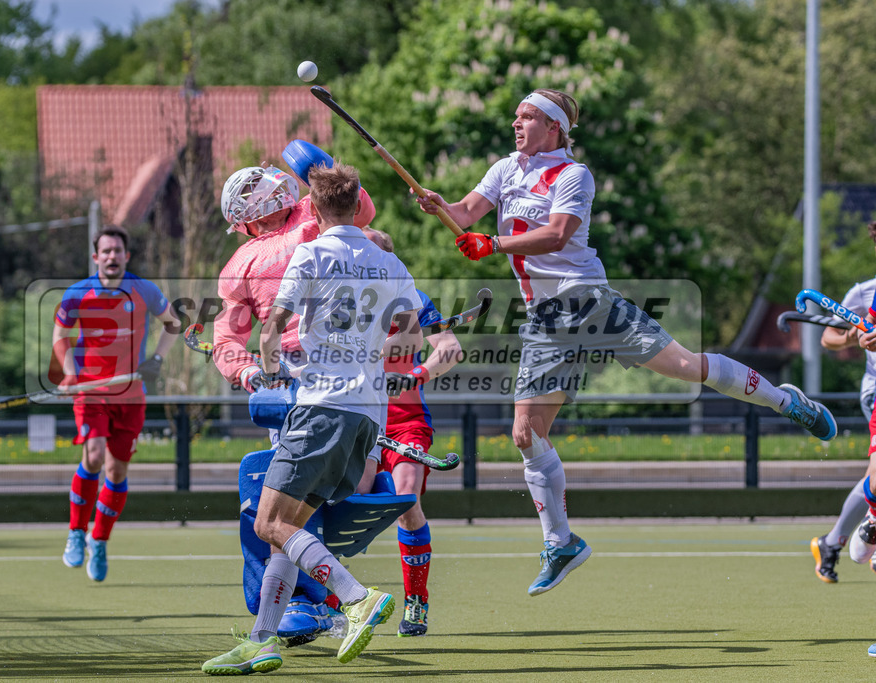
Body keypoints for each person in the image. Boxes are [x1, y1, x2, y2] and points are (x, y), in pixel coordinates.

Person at [415, 88, 838, 597]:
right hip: (544, 319)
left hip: (587, 301)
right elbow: (465, 214)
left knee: (685, 366)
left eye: (527, 117)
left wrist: (495, 243)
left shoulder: (574, 176)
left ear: (554, 128)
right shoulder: (506, 169)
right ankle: (561, 543)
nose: (515, 123)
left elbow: (556, 234)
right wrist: (442, 206)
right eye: (516, 116)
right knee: (526, 434)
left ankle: (786, 401)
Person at [202, 161, 424, 675]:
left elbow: (272, 326)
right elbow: (412, 333)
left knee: (268, 522)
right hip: (368, 415)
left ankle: (354, 597)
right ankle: (263, 639)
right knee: (291, 526)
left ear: (317, 208)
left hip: (318, 405)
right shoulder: (385, 258)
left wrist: (269, 371)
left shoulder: (307, 249)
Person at [212, 142, 376, 639]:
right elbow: (361, 207)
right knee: (294, 505)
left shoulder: (245, 258)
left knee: (274, 506)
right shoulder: (313, 215)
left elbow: (225, 338)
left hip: (297, 381)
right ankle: (293, 613)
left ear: (243, 219)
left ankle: (325, 603)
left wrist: (247, 373)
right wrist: (317, 166)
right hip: (353, 377)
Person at [53, 225, 179, 582]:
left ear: (126, 256)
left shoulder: (144, 291)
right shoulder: (78, 294)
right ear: (96, 258)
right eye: (105, 252)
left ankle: (100, 539)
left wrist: (156, 359)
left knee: (117, 472)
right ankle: (76, 532)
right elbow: (60, 336)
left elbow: (173, 323)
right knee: (93, 457)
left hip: (130, 395)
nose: (111, 257)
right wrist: (69, 374)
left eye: (117, 251)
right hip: (91, 392)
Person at [363, 226, 462, 637]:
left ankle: (416, 601)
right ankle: (330, 602)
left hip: (405, 424)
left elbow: (450, 349)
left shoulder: (414, 300)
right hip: (356, 421)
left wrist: (416, 374)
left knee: (406, 502)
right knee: (336, 504)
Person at [810, 223, 876, 582]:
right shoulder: (865, 293)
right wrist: (853, 338)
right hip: (875, 390)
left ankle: (833, 542)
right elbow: (829, 338)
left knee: (875, 477)